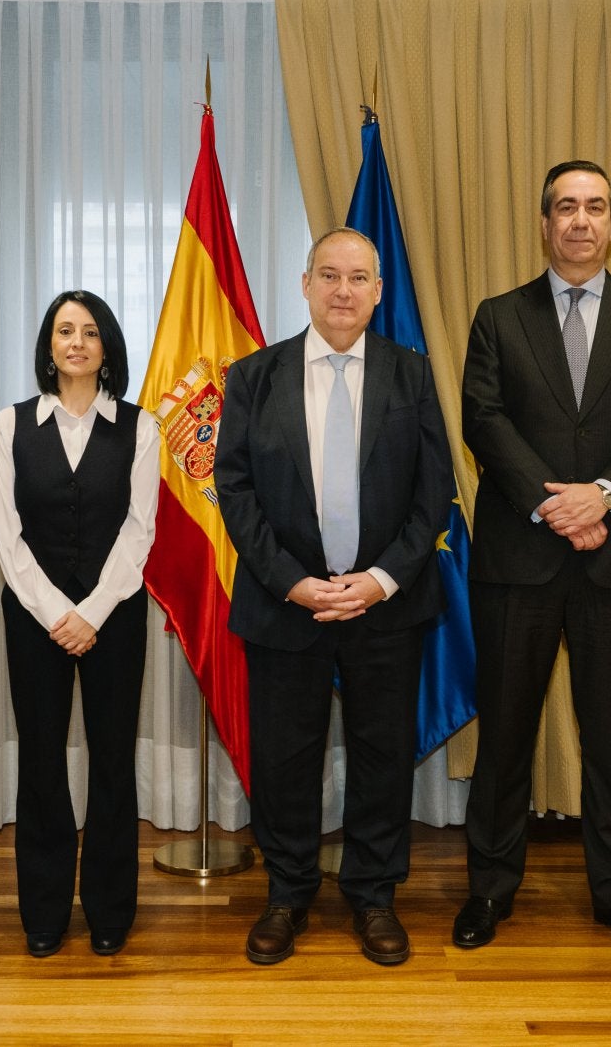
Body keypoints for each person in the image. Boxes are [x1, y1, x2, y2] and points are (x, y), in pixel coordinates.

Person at [456, 160, 611, 959]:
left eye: (595, 207)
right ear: (545, 221)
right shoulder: (498, 316)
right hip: (518, 559)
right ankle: (488, 888)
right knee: (506, 739)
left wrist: (604, 496)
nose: (580, 221)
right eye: (566, 207)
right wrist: (556, 504)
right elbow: (482, 418)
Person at [215, 228, 451, 967]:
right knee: (287, 759)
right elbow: (236, 490)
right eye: (330, 275)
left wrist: (379, 580)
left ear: (379, 291)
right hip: (287, 602)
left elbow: (433, 494)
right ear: (306, 283)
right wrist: (291, 580)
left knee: (383, 755)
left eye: (359, 278)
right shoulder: (255, 376)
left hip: (386, 604)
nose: (344, 290)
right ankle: (287, 893)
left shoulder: (413, 377)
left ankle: (374, 895)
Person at [0, 289, 159, 958]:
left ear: (106, 347)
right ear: (49, 346)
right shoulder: (12, 424)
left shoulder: (140, 428)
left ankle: (111, 910)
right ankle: (45, 914)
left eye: (90, 331)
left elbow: (139, 530)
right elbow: (6, 533)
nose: (78, 342)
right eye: (65, 330)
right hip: (35, 619)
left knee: (113, 763)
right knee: (41, 761)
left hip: (115, 615)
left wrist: (91, 612)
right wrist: (57, 612)